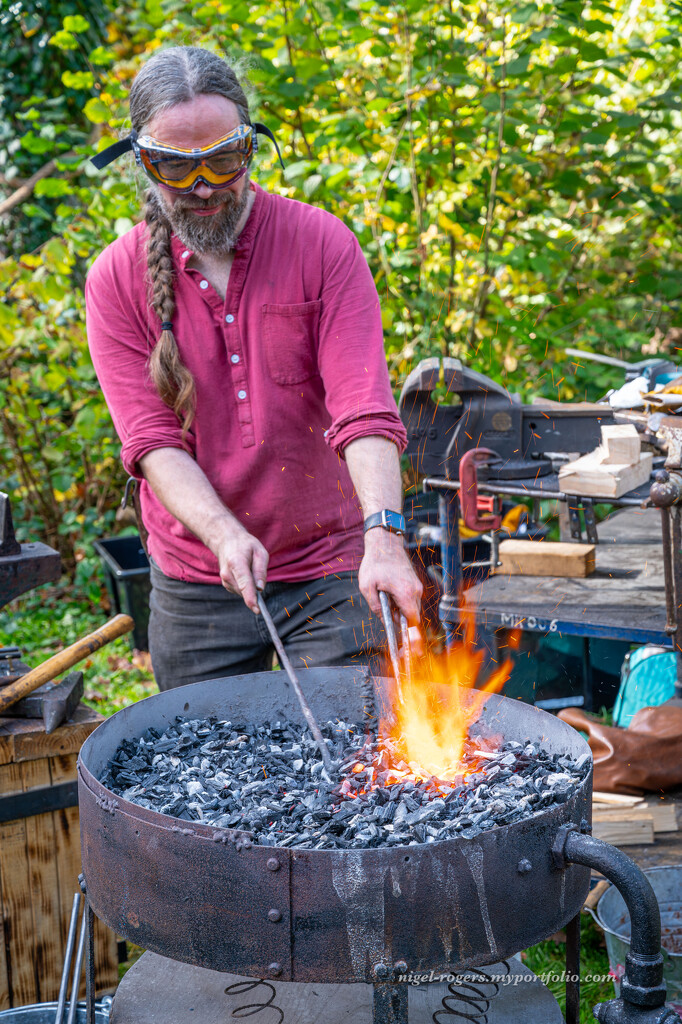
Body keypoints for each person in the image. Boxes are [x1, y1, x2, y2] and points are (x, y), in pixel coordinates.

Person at [86, 45, 422, 690]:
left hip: (331, 562)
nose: (204, 187)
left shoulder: (323, 243)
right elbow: (152, 442)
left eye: (223, 160)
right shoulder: (114, 279)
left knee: (356, 765)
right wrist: (222, 535)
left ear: (250, 147)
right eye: (175, 169)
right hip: (195, 578)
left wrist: (385, 535)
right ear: (141, 162)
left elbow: (364, 407)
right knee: (205, 772)